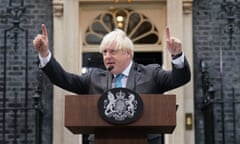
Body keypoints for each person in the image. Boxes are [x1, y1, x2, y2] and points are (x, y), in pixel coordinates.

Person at [33, 24, 191, 144]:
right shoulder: (94, 77)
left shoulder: (151, 74)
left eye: (113, 51)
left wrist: (177, 56)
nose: (107, 56)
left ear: (128, 53)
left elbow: (180, 79)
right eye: (104, 52)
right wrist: (44, 54)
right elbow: (63, 79)